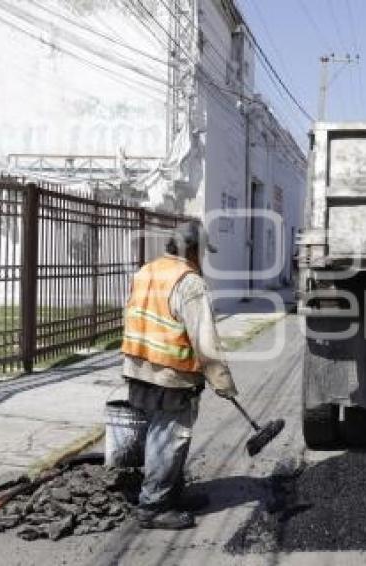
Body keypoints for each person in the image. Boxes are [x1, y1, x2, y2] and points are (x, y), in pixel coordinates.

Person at [121, 221, 238, 529]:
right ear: (194, 250)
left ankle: (171, 492)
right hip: (170, 373)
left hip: (137, 366)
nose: (204, 258)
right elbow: (205, 340)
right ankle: (153, 505)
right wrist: (222, 382)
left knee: (158, 432)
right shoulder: (189, 282)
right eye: (203, 251)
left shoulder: (147, 270)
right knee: (169, 438)